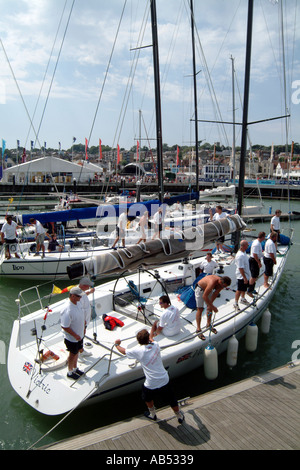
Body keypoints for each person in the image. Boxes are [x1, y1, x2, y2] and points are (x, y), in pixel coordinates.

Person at [114, 329, 184, 423]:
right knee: (171, 399)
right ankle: (179, 415)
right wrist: (152, 330)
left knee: (147, 397)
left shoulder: (138, 351)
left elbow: (124, 351)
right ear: (148, 339)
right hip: (164, 379)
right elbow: (152, 339)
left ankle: (153, 414)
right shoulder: (156, 345)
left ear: (138, 341)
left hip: (151, 383)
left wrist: (117, 344)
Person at [195, 274, 231, 340]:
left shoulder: (221, 285)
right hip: (200, 289)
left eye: (225, 287)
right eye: (223, 286)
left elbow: (215, 293)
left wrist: (210, 305)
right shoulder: (212, 282)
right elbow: (204, 296)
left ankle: (208, 324)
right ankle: (198, 329)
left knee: (210, 307)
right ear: (220, 282)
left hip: (209, 290)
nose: (223, 287)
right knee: (200, 309)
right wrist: (213, 307)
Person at [60, 286, 86, 380]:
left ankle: (75, 368)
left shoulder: (77, 303)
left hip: (79, 335)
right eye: (79, 296)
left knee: (77, 352)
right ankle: (70, 372)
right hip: (72, 338)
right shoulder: (67, 309)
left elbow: (80, 315)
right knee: (73, 354)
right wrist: (75, 335)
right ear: (73, 296)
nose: (81, 298)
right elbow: (64, 326)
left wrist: (84, 326)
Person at [78, 277, 95, 360]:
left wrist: (90, 292)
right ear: (84, 285)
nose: (89, 287)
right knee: (80, 336)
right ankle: (79, 353)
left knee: (81, 336)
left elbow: (83, 295)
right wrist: (84, 325)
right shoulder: (77, 294)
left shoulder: (80, 292)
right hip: (81, 322)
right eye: (88, 286)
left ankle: (80, 351)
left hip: (84, 321)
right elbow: (79, 311)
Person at [234, 240, 252, 310]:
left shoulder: (243, 252)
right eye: (247, 245)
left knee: (244, 288)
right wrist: (244, 278)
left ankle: (243, 298)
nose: (248, 246)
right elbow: (240, 268)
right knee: (239, 289)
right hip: (241, 276)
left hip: (246, 274)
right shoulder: (240, 256)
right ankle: (235, 303)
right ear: (244, 246)